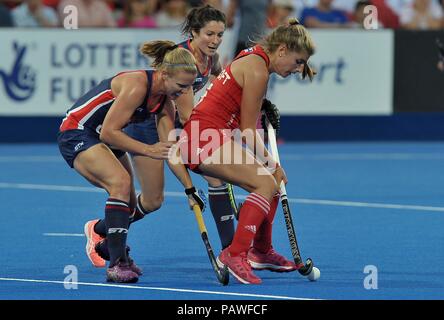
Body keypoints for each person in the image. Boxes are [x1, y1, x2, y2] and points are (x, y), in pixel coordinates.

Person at [178, 18, 316, 284]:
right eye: (298, 61)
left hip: (209, 136)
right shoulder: (257, 70)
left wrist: (270, 164)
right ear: (282, 50)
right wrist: (272, 163)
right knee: (266, 181)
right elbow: (247, 130)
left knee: (271, 182)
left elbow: (246, 117)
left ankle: (261, 251)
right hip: (203, 138)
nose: (299, 70)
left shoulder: (255, 60)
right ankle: (235, 254)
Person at [57, 41, 205, 283]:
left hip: (103, 138)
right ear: (164, 74)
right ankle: (116, 264)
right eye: (180, 86)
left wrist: (190, 189)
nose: (182, 94)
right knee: (121, 183)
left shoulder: (165, 101)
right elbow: (108, 132)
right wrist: (148, 149)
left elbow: (170, 150)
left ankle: (106, 243)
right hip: (78, 132)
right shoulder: (138, 85)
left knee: (130, 202)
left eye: (188, 88)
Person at [116, 5, 236, 254]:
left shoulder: (210, 57)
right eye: (209, 34)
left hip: (179, 128)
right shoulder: (186, 61)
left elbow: (222, 82)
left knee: (216, 177)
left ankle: (231, 251)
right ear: (193, 32)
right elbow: (188, 116)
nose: (216, 41)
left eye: (220, 35)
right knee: (152, 201)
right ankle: (103, 229)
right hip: (150, 128)